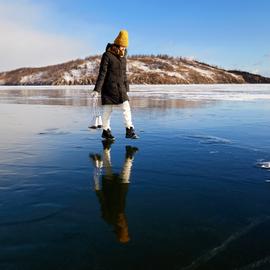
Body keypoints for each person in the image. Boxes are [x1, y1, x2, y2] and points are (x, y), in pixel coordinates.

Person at [90, 30, 139, 140]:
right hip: (108, 88)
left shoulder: (123, 58)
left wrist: (126, 88)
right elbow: (102, 73)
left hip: (120, 88)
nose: (123, 48)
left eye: (125, 47)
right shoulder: (107, 55)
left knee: (126, 108)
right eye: (122, 46)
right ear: (117, 44)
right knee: (107, 110)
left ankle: (129, 129)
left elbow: (124, 74)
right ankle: (106, 130)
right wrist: (97, 90)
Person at [89, 142, 139, 244]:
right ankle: (129, 156)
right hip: (121, 189)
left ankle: (106, 150)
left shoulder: (108, 218)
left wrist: (98, 190)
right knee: (124, 173)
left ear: (120, 231)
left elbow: (102, 201)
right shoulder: (122, 220)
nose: (126, 227)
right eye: (127, 230)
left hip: (109, 189)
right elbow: (122, 200)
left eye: (126, 231)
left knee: (108, 168)